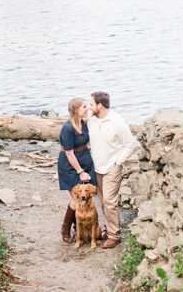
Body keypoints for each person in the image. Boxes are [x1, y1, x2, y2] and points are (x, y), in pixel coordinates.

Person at [87, 91, 138, 248]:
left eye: (91, 104)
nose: (89, 107)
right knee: (103, 202)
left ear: (99, 105)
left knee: (110, 201)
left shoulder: (118, 122)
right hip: (97, 167)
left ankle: (114, 235)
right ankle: (108, 229)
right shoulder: (91, 121)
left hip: (112, 167)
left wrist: (119, 162)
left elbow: (130, 144)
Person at [58, 97, 97, 243]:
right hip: (71, 165)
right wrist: (80, 171)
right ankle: (66, 229)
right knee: (77, 200)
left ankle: (79, 230)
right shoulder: (67, 128)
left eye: (87, 106)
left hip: (85, 161)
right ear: (76, 111)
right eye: (84, 107)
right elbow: (68, 153)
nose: (87, 109)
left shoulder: (84, 123)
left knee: (86, 198)